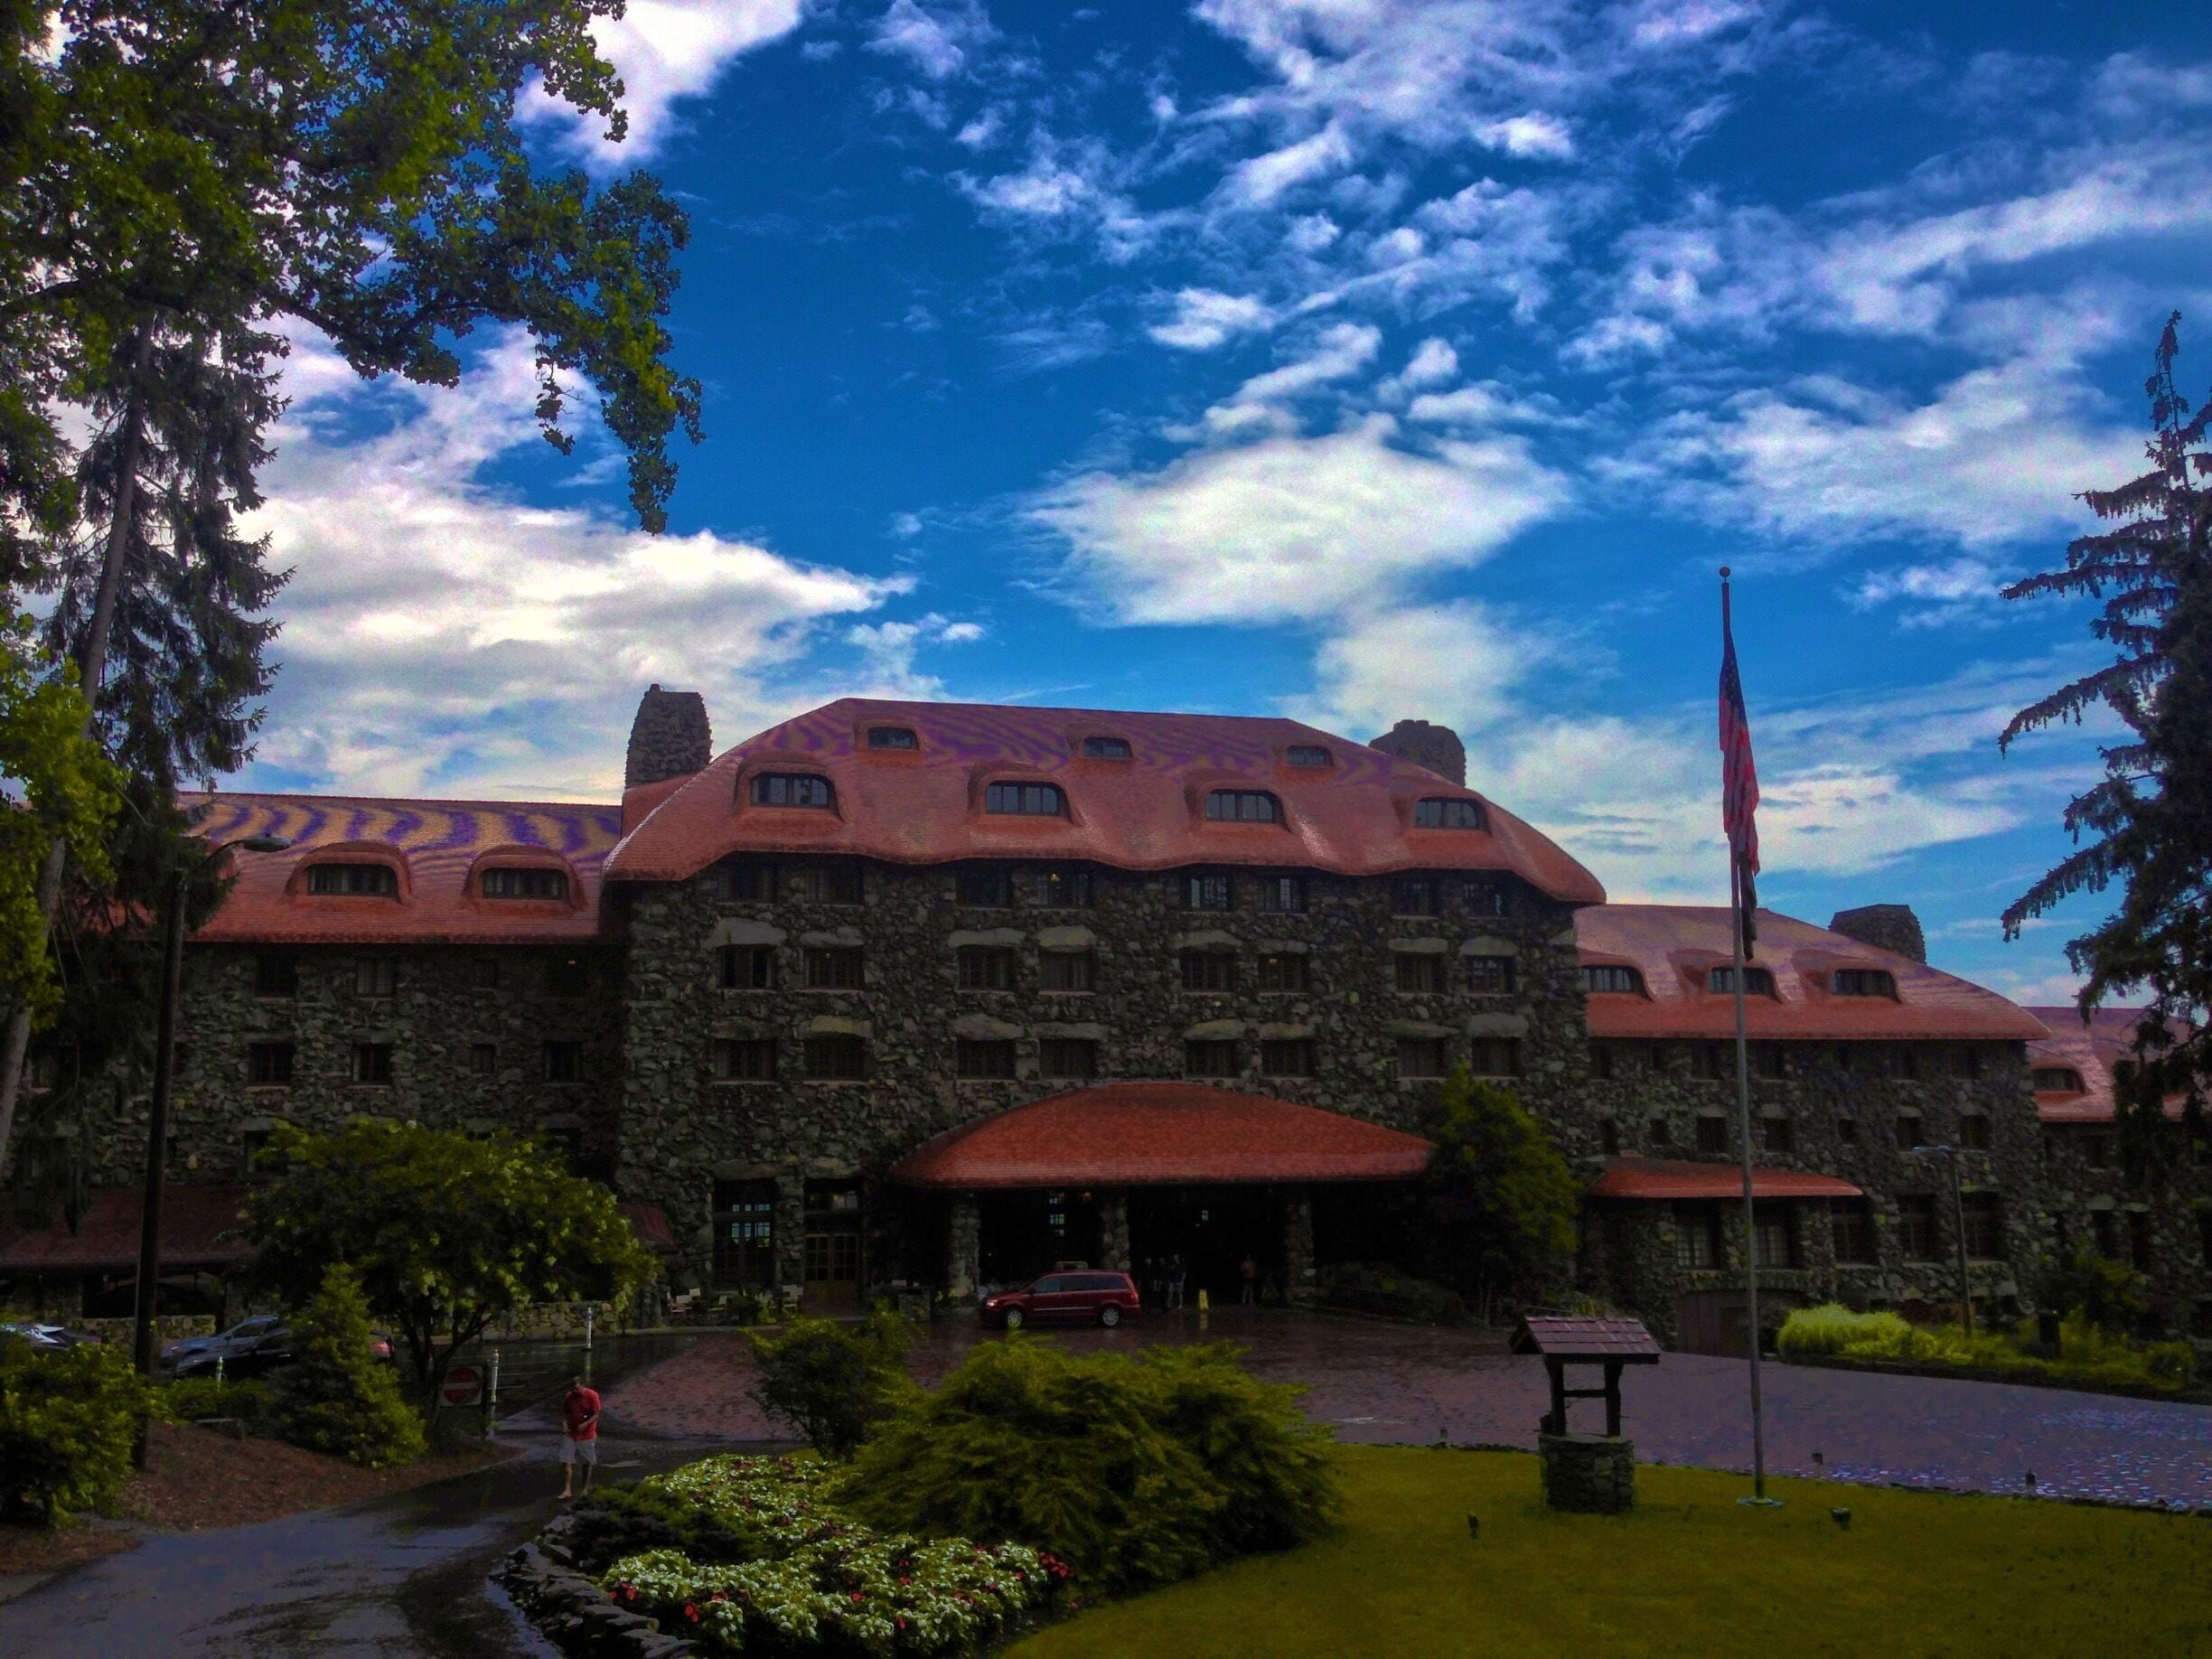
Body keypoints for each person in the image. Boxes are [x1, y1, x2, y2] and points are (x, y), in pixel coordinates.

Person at [559, 1373, 601, 1500]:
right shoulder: (569, 1396)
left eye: (577, 1388)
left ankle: (585, 1489)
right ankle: (567, 1489)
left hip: (586, 1433)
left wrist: (586, 1424)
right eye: (573, 1389)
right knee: (566, 1460)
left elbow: (596, 1414)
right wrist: (564, 1423)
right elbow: (565, 1412)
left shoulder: (592, 1396)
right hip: (571, 1432)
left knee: (586, 1462)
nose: (575, 1391)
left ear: (583, 1386)